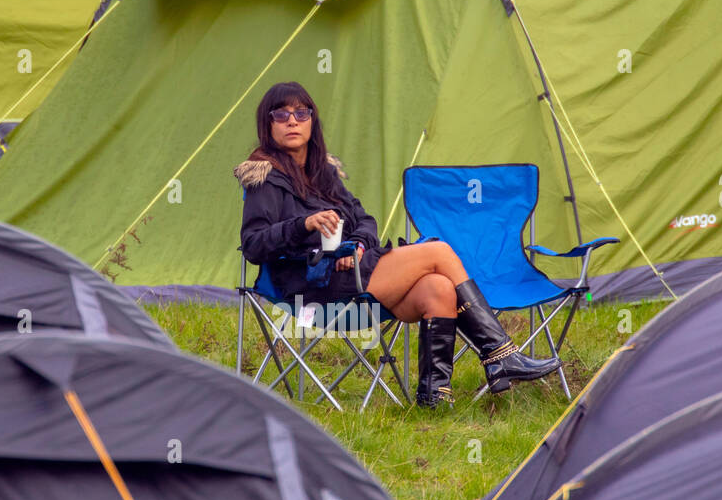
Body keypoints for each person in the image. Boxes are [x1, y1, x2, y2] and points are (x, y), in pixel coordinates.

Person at [235, 81, 559, 408]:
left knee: (438, 288)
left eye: (301, 113)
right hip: (310, 289)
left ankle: (434, 398)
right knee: (439, 252)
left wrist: (359, 245)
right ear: (268, 123)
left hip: (355, 273)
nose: (292, 121)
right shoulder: (265, 179)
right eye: (282, 114)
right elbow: (253, 245)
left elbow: (364, 220)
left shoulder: (324, 173)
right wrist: (302, 224)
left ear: (312, 121)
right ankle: (499, 353)